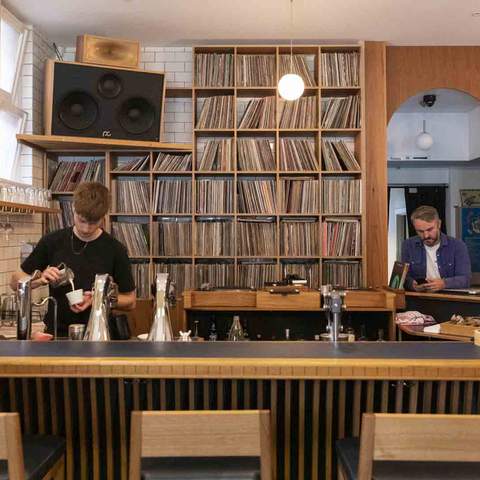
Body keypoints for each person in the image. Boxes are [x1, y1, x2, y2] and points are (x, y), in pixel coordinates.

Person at [10, 182, 136, 336]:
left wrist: (98, 299)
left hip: (100, 336)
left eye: (93, 223)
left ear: (104, 217)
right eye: (82, 220)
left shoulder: (115, 249)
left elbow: (130, 301)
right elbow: (14, 282)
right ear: (73, 211)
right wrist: (40, 279)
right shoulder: (52, 241)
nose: (86, 228)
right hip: (57, 335)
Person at [401, 205, 471, 292]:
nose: (426, 235)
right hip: (419, 298)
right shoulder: (408, 245)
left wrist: (444, 283)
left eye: (430, 229)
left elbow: (465, 279)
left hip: (449, 299)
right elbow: (404, 277)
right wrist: (412, 285)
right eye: (420, 231)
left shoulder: (458, 246)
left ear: (439, 224)